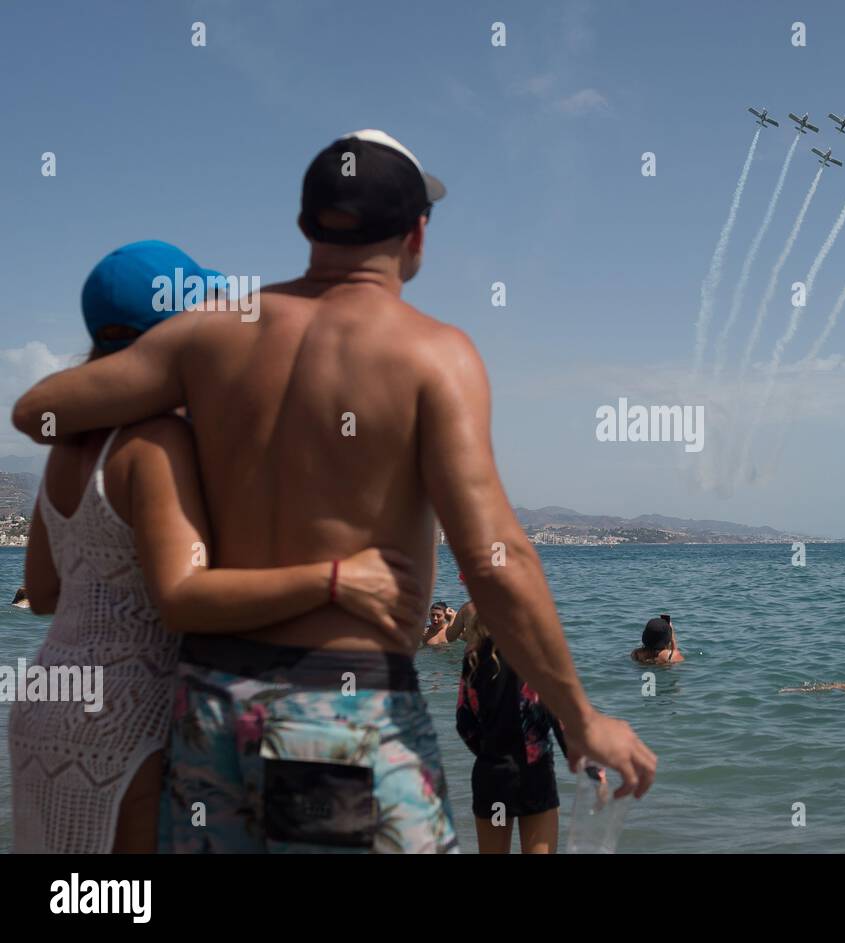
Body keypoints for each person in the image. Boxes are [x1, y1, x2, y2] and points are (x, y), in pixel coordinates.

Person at [13, 130, 655, 853]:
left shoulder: (209, 336)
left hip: (210, 716)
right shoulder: (431, 354)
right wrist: (579, 715)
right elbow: (493, 556)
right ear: (416, 235)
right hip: (336, 711)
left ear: (304, 226)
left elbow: (37, 410)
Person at [9, 240, 419, 854]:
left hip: (46, 706)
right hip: (130, 719)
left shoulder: (65, 449)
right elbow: (182, 597)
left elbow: (42, 593)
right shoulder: (156, 442)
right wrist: (336, 578)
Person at [456, 606, 567, 853]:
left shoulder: (474, 659)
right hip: (534, 777)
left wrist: (490, 754)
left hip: (492, 777)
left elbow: (464, 724)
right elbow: (558, 718)